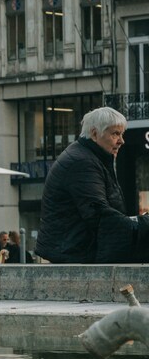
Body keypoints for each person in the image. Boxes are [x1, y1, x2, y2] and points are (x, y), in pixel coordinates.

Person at [36, 107, 147, 263]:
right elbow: (99, 215)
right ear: (95, 134)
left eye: (122, 134)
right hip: (77, 254)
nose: (122, 141)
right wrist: (141, 224)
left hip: (76, 251)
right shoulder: (82, 162)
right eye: (115, 134)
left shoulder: (88, 157)